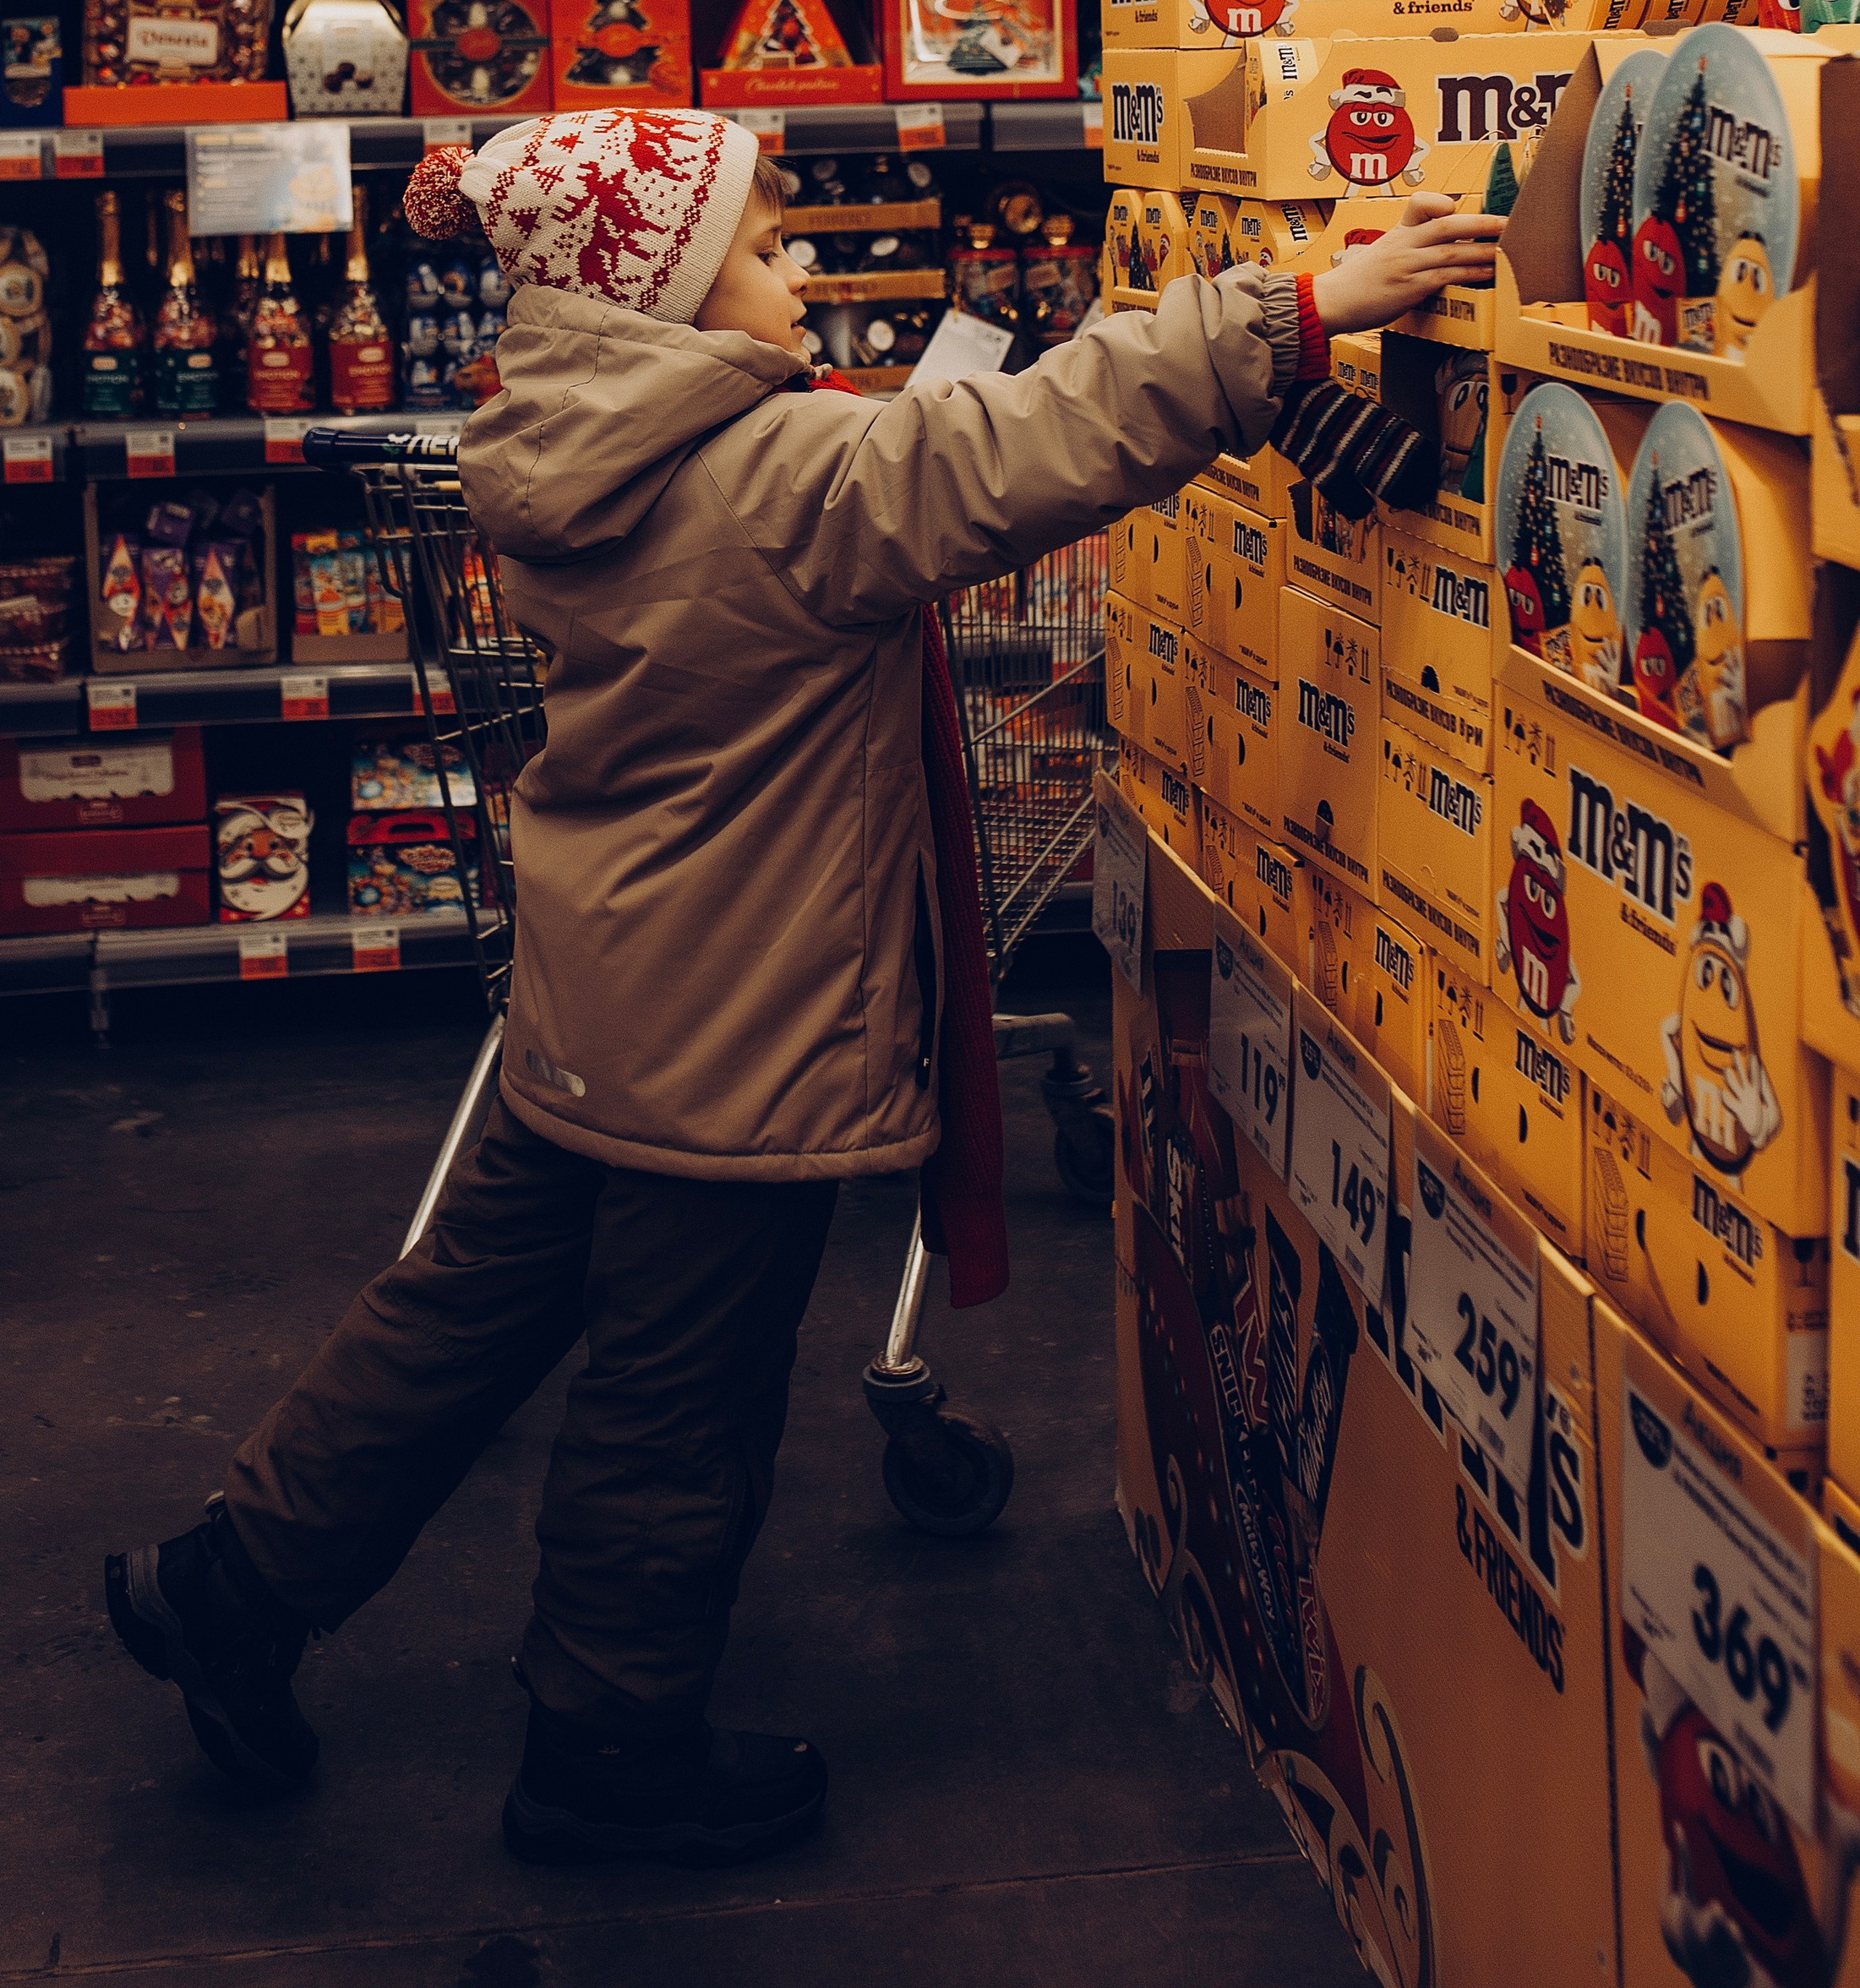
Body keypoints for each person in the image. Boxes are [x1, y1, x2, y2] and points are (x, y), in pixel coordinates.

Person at [106, 106, 1500, 1868]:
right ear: (668, 307)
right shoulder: (772, 480)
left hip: (606, 989)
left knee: (465, 1306)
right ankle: (606, 1746)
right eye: (767, 248)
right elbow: (1028, 438)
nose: (807, 267)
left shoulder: (580, 445)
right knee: (674, 1401)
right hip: (732, 1034)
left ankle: (227, 1582)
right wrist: (1290, 308)